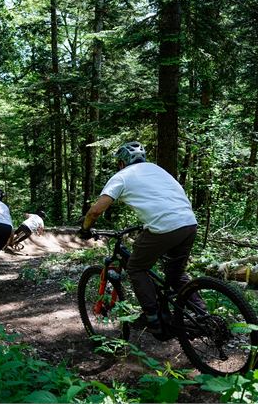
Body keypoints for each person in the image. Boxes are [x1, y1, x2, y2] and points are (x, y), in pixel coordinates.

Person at [78, 141, 201, 334]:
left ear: (121, 163)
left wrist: (85, 229)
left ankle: (153, 319)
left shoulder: (122, 176)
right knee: (175, 276)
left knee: (136, 267)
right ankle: (204, 317)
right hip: (189, 223)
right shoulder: (157, 170)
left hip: (164, 226)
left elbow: (95, 211)